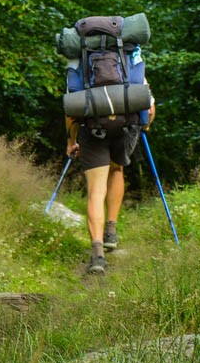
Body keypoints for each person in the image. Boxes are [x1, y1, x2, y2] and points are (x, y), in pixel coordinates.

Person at [65, 90, 155, 275]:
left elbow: (71, 111)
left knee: (96, 190)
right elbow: (150, 108)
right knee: (116, 169)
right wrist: (145, 126)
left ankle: (97, 254)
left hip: (92, 126)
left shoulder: (79, 62)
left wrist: (71, 141)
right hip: (125, 126)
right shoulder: (128, 60)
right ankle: (111, 231)